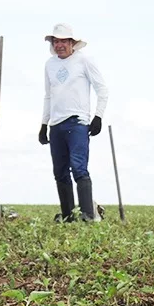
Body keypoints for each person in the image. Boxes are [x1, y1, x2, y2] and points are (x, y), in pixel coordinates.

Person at [38, 23, 109, 223]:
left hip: (77, 122)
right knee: (59, 172)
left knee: (78, 167)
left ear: (72, 43)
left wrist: (98, 117)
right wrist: (44, 124)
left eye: (63, 41)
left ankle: (87, 215)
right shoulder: (49, 65)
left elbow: (102, 89)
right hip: (56, 125)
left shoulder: (84, 60)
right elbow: (48, 96)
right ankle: (69, 216)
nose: (59, 45)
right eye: (56, 41)